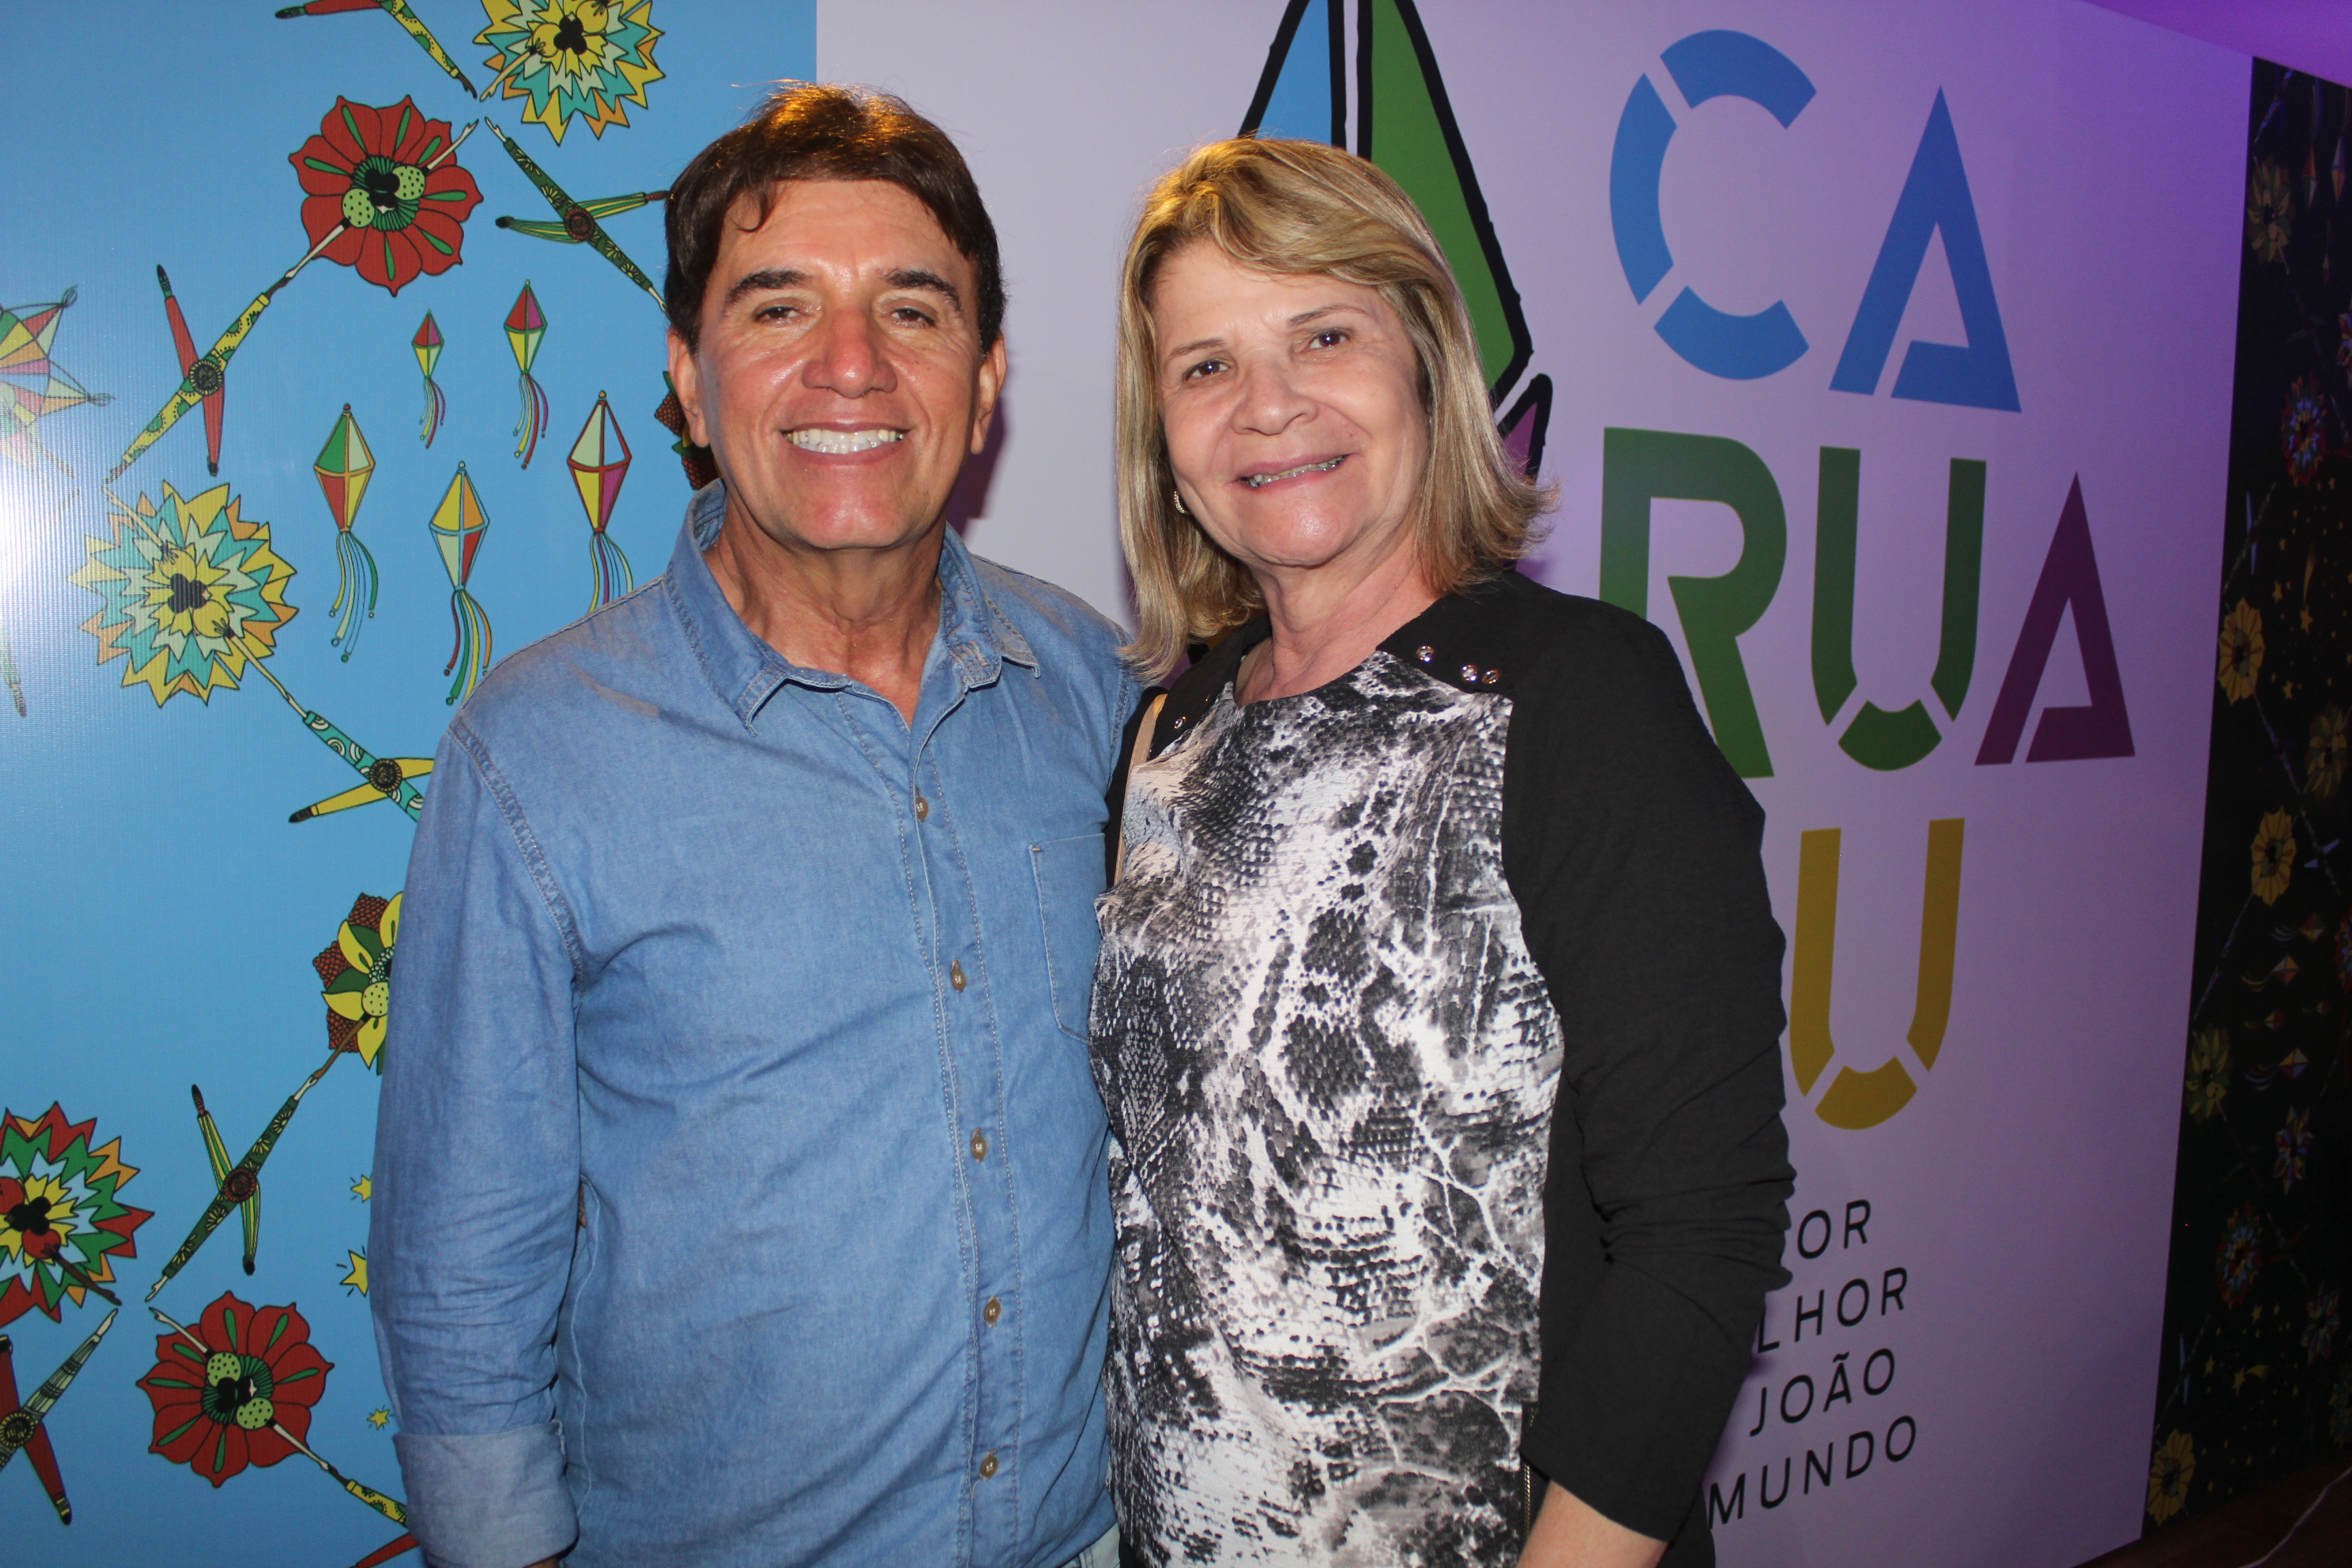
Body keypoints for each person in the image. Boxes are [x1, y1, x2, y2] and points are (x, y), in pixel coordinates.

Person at [370, 85, 1133, 1568]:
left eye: (912, 311)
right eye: (779, 308)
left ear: (984, 382)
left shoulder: (1099, 691)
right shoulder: (538, 753)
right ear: (688, 381)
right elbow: (460, 1272)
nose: (852, 365)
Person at [1090, 137, 1795, 1567]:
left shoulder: (1580, 702)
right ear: (1162, 435)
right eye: (1207, 365)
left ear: (1426, 362)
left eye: (1324, 336)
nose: (1268, 404)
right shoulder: (1169, 729)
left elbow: (1700, 1231)